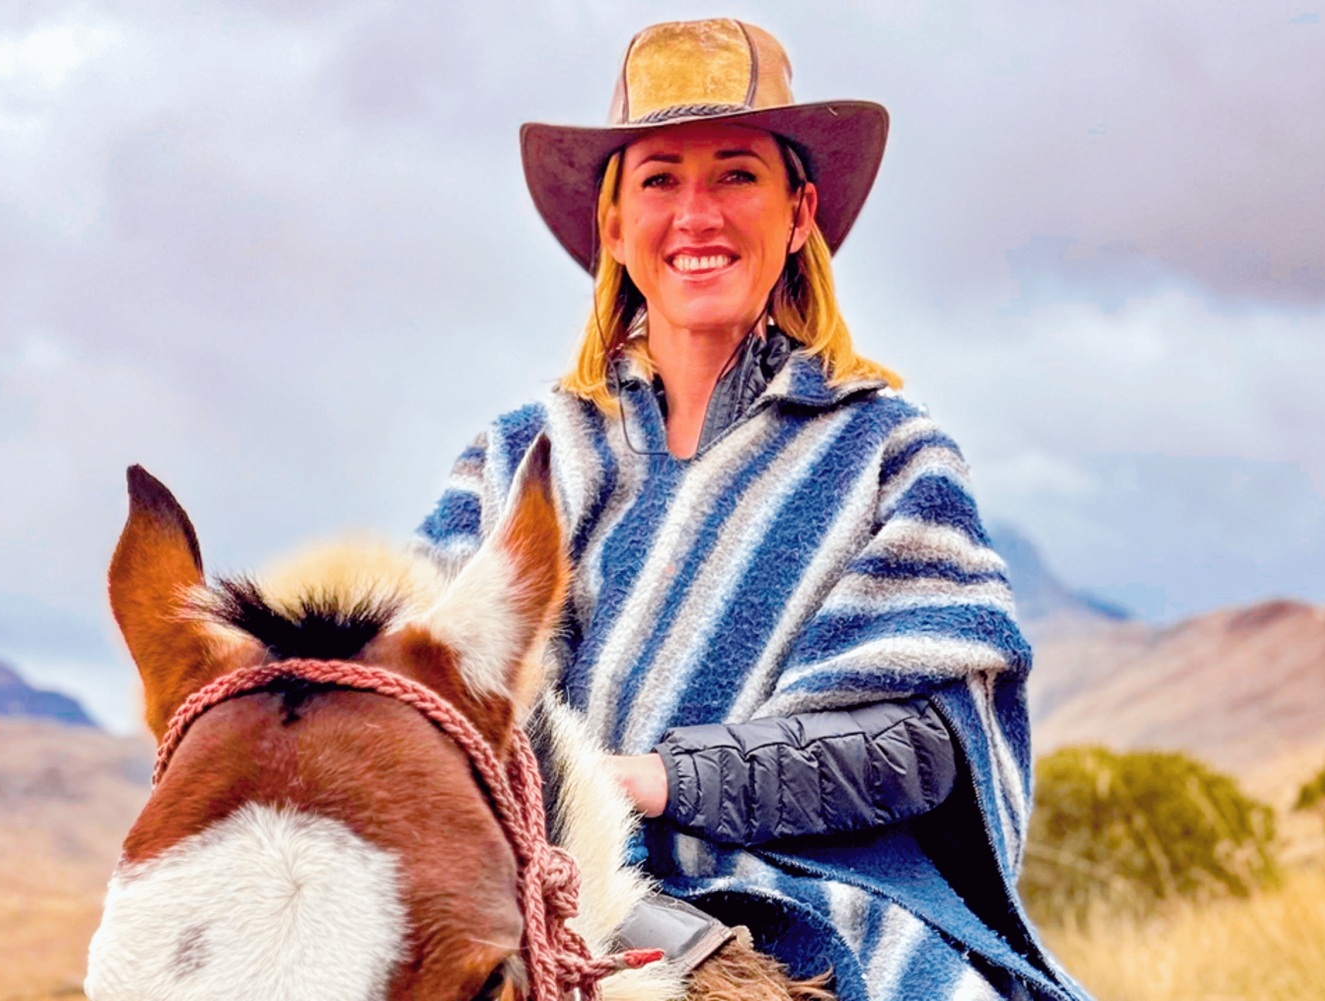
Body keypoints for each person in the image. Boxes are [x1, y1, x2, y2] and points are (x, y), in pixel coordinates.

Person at [418, 19, 1089, 1001]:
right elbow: (429, 691)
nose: (698, 214)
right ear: (613, 223)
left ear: (799, 210)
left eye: (736, 174)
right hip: (541, 890)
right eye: (658, 179)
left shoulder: (890, 457)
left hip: (821, 911)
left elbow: (923, 747)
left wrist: (660, 780)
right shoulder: (514, 458)